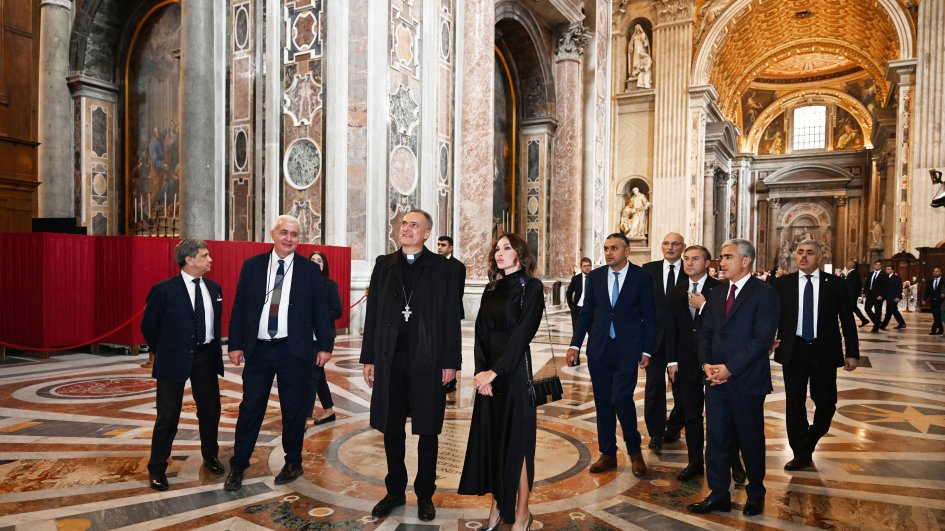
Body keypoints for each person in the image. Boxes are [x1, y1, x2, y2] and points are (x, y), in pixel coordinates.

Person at [360, 209, 461, 522]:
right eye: (403, 223)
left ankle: (425, 494)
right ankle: (394, 490)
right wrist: (369, 357)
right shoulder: (383, 264)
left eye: (414, 225)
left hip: (428, 360)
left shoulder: (443, 268)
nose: (406, 228)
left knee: (428, 431)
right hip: (390, 360)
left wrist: (451, 362)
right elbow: (373, 313)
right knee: (392, 429)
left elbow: (450, 319)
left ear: (427, 233)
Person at [223, 215, 335, 491]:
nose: (289, 238)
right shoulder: (253, 267)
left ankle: (293, 461)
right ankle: (238, 466)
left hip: (294, 350)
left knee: (294, 411)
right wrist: (235, 344)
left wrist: (325, 345)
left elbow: (321, 312)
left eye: (294, 234)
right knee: (250, 408)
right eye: (284, 232)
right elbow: (240, 307)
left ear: (299, 239)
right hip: (259, 350)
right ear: (273, 234)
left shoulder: (310, 271)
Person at [458, 233, 543, 531]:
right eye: (497, 249)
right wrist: (482, 374)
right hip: (489, 378)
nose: (499, 253)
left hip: (515, 374)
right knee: (494, 441)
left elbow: (522, 336)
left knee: (517, 444)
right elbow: (481, 334)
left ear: (520, 253)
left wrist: (496, 372)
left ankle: (522, 513)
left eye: (507, 248)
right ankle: (496, 507)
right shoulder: (490, 289)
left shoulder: (531, 288)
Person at [688, 239, 778, 517]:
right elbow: (704, 334)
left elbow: (762, 339)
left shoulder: (765, 293)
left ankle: (756, 492)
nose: (721, 262)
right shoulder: (716, 294)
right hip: (715, 379)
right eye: (721, 257)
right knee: (715, 438)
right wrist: (707, 366)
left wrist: (730, 368)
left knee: (749, 437)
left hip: (747, 379)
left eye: (727, 257)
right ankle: (718, 494)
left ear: (746, 261)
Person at [566, 233, 655, 478]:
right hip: (599, 349)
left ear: (627, 251)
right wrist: (575, 345)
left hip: (628, 350)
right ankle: (608, 454)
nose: (608, 253)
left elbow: (650, 317)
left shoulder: (642, 278)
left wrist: (647, 350)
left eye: (614, 248)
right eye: (606, 248)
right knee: (603, 401)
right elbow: (586, 315)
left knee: (621, 398)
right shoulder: (595, 277)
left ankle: (635, 452)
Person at [141, 239, 224, 491]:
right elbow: (148, 327)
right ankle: (157, 468)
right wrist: (164, 350)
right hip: (173, 358)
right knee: (168, 416)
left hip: (206, 357)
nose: (210, 260)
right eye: (204, 256)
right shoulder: (164, 290)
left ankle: (210, 456)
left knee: (210, 411)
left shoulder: (214, 288)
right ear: (189, 260)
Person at [773, 240, 859, 472]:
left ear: (820, 257)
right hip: (794, 350)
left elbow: (848, 321)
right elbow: (771, 316)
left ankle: (809, 441)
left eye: (809, 253)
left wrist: (852, 352)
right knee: (794, 403)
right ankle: (800, 453)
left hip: (824, 350)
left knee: (826, 402)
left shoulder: (837, 284)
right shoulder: (783, 284)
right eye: (800, 252)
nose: (803, 257)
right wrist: (768, 339)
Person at [666, 245, 746, 482]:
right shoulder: (676, 291)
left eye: (695, 259)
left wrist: (704, 307)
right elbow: (671, 328)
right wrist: (671, 360)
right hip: (686, 361)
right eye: (686, 259)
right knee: (691, 414)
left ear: (708, 263)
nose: (689, 263)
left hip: (715, 361)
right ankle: (694, 463)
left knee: (722, 416)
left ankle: (734, 463)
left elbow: (728, 327)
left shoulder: (720, 289)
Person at [642, 232, 687, 452]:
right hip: (655, 341)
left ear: (683, 247)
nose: (670, 247)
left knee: (683, 390)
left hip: (682, 342)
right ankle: (656, 433)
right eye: (666, 243)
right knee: (653, 389)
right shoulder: (648, 270)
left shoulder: (690, 271)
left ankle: (675, 425)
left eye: (675, 244)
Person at [304, 251, 343, 426]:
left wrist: (317, 315)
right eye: (312, 260)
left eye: (319, 260)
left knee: (311, 375)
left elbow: (337, 311)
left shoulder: (330, 285)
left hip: (323, 338)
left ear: (324, 265)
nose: (315, 262)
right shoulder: (302, 283)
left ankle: (303, 418)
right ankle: (328, 410)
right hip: (306, 337)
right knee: (317, 375)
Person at [437, 235, 467, 393]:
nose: (439, 247)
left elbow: (458, 290)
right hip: (436, 310)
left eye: (443, 245)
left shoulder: (458, 266)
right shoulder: (435, 263)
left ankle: (452, 378)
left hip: (452, 310)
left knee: (451, 340)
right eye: (438, 244)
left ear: (451, 247)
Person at [566, 257, 593, 336]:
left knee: (592, 333)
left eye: (589, 266)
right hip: (577, 310)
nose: (587, 268)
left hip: (591, 310)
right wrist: (572, 307)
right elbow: (569, 293)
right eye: (585, 266)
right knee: (577, 333)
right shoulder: (576, 279)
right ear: (581, 267)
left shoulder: (595, 278)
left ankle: (591, 349)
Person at [863, 260, 888, 333]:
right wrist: (864, 292)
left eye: (879, 265)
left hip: (878, 296)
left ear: (881, 266)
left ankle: (876, 327)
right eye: (876, 264)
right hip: (870, 294)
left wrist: (882, 295)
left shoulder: (884, 274)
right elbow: (867, 284)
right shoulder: (870, 274)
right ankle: (877, 322)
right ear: (874, 266)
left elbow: (886, 287)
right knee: (867, 309)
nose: (877, 266)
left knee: (878, 311)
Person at [844, 260, 871, 327]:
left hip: (852, 294)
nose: (846, 265)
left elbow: (856, 284)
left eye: (847, 264)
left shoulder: (853, 273)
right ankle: (864, 320)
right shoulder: (852, 273)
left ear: (850, 266)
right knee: (854, 308)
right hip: (851, 294)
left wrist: (856, 293)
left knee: (851, 308)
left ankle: (849, 323)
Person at [881, 265, 907, 330]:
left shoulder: (896, 277)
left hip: (894, 297)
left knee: (893, 311)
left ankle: (901, 323)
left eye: (889, 269)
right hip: (888, 297)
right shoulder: (885, 277)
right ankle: (884, 325)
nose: (887, 270)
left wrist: (898, 297)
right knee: (890, 312)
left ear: (892, 270)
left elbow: (899, 288)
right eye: (886, 269)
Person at [925, 267, 944, 335]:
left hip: (941, 301)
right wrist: (924, 299)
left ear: (941, 273)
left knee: (937, 315)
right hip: (932, 301)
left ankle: (933, 330)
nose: (935, 272)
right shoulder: (931, 281)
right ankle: (941, 330)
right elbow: (927, 291)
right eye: (934, 271)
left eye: (937, 271)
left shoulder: (943, 281)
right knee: (936, 316)